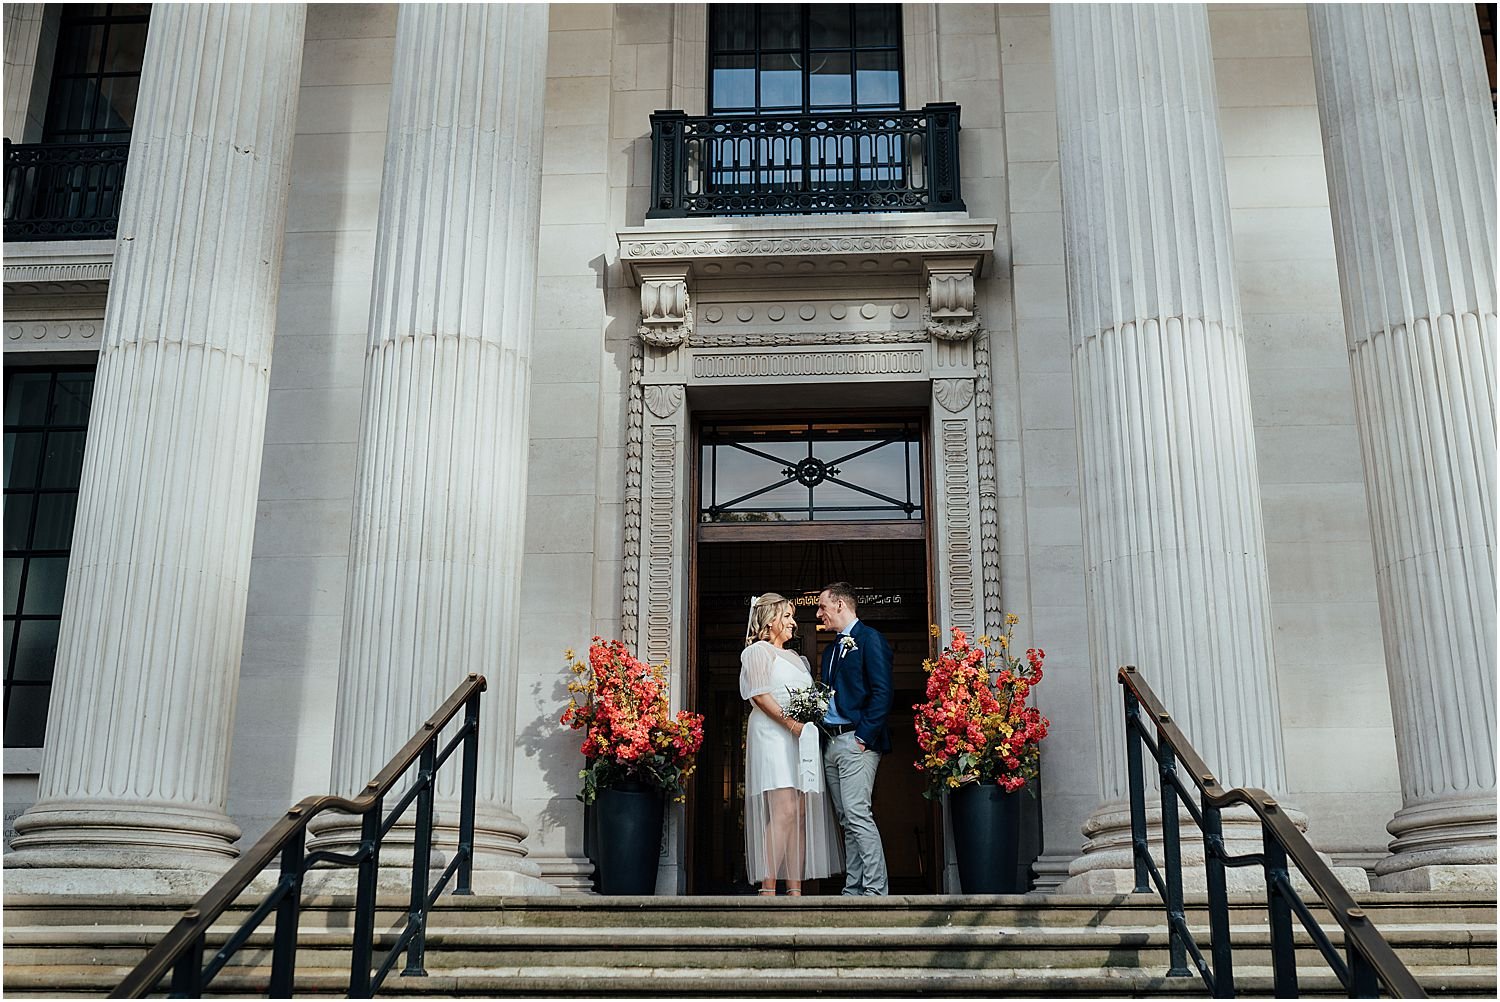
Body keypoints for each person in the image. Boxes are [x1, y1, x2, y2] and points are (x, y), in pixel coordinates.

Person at [739, 593, 843, 895]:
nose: (793, 623)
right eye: (787, 616)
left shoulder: (799, 659)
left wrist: (810, 721)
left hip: (800, 739)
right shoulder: (758, 651)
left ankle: (795, 890)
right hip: (773, 735)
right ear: (770, 620)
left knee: (798, 812)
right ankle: (768, 889)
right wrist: (791, 724)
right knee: (782, 810)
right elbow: (759, 694)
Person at [816, 581, 893, 896]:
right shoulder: (831, 648)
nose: (819, 614)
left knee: (859, 814)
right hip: (831, 742)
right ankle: (854, 889)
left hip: (856, 741)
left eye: (821, 606)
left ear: (839, 604)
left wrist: (863, 737)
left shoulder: (870, 639)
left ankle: (876, 889)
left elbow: (883, 692)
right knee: (846, 819)